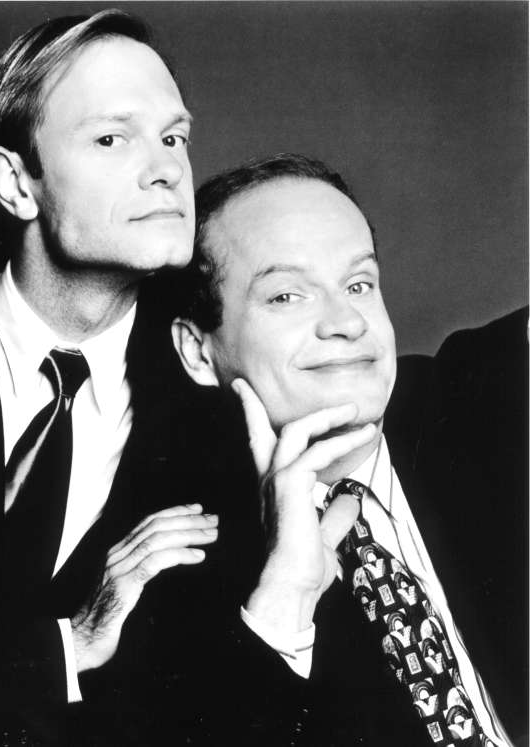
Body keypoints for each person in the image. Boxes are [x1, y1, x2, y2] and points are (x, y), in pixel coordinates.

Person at [0, 10, 221, 745]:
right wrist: (72, 642)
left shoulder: (217, 376)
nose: (166, 170)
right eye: (111, 139)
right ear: (15, 183)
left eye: (174, 137)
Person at [171, 153, 528, 746]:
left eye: (358, 285)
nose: (346, 322)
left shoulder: (483, 410)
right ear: (198, 350)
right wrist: (286, 602)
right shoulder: (174, 568)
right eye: (287, 296)